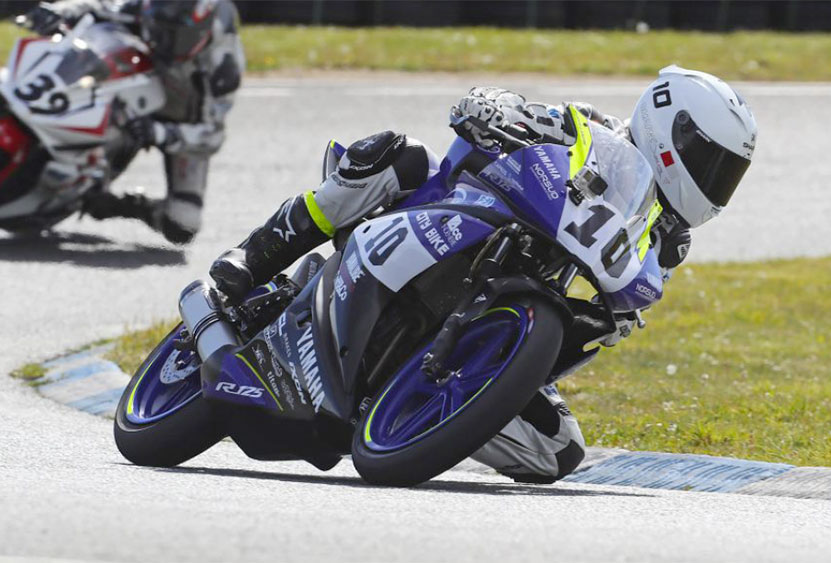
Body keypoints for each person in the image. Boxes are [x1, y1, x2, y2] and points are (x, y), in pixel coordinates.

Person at [209, 65, 758, 483]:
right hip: (448, 216)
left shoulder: (667, 239)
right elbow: (490, 105)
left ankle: (427, 412)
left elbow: (625, 304)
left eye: (727, 175)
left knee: (558, 451)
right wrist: (497, 112)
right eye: (712, 164)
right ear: (673, 133)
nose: (716, 185)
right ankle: (255, 256)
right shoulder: (586, 127)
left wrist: (609, 321)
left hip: (515, 300)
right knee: (398, 155)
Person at [20, 0, 245, 244]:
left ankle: (127, 206)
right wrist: (60, 13)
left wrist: (158, 133)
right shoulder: (149, 7)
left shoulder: (224, 67)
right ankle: (69, 163)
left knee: (182, 223)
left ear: (203, 31)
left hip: (182, 123)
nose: (165, 42)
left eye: (177, 35)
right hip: (136, 90)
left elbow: (211, 135)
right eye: (159, 29)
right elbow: (99, 7)